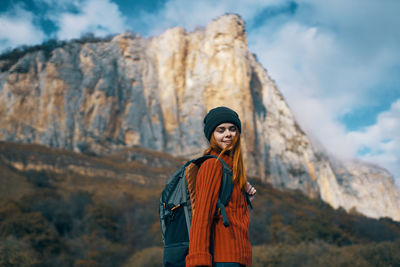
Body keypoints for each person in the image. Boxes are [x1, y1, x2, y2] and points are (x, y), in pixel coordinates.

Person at [186, 106, 256, 267]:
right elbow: (202, 215)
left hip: (239, 259)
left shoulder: (232, 170)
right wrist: (198, 261)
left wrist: (245, 199)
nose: (228, 134)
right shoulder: (212, 165)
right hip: (222, 260)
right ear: (212, 135)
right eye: (221, 130)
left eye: (232, 129)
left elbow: (232, 216)